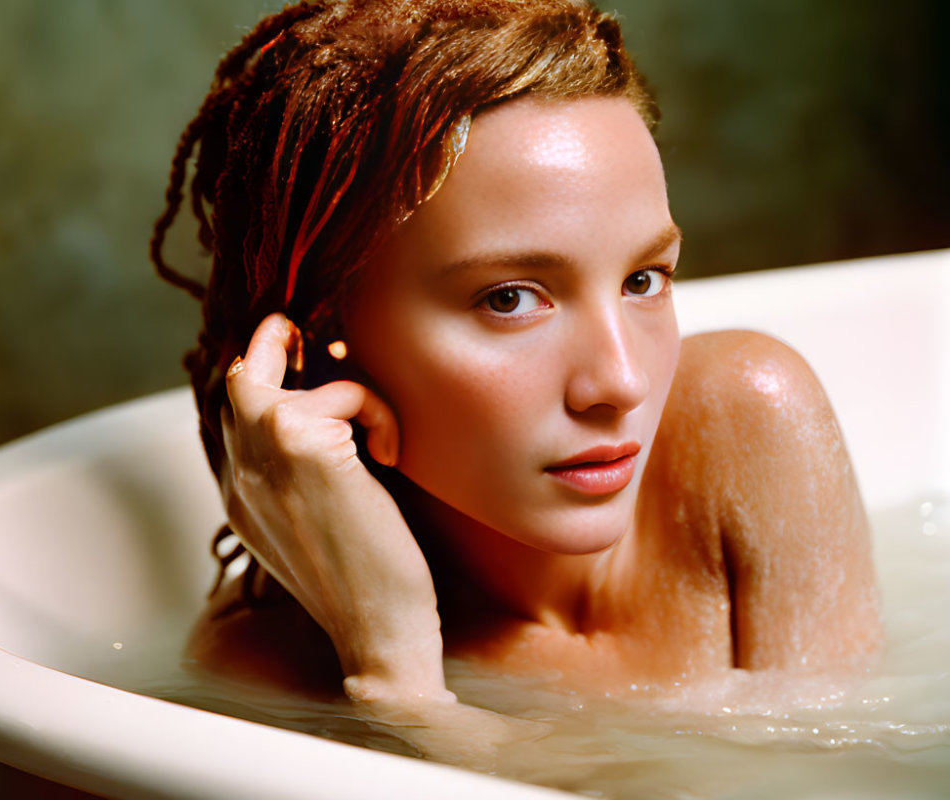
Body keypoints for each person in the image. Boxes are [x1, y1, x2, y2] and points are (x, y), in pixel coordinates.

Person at [150, 0, 881, 749]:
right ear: (322, 335)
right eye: (509, 299)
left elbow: (845, 778)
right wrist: (399, 687)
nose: (621, 382)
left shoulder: (746, 420)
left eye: (644, 280)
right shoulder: (266, 676)